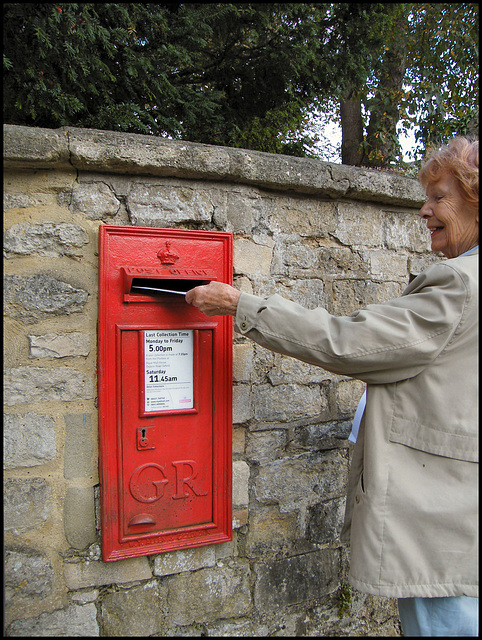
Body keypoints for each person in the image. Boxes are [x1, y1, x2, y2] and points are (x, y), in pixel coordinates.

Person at [185, 136, 478, 636]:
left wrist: (242, 305)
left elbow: (351, 342)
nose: (424, 210)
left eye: (439, 197)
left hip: (441, 520)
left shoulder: (459, 283)